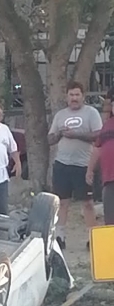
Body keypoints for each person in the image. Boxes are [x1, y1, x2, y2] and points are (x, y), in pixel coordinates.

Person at [48, 80, 102, 250]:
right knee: (62, 202)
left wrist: (75, 134)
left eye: (77, 95)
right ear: (67, 96)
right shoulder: (60, 115)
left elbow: (98, 135)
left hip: (83, 165)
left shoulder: (91, 113)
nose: (74, 98)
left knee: (87, 203)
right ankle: (60, 237)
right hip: (62, 164)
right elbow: (50, 139)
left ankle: (92, 238)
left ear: (83, 96)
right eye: (71, 95)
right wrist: (59, 134)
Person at [86, 93, 114, 225]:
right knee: (110, 219)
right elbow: (97, 148)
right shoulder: (107, 125)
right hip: (108, 180)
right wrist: (90, 169)